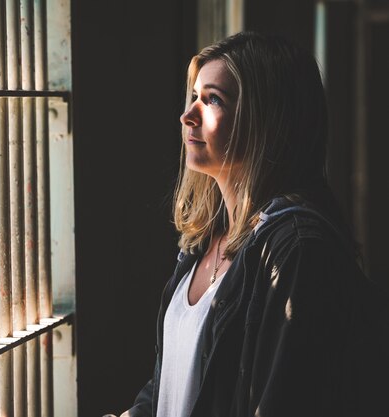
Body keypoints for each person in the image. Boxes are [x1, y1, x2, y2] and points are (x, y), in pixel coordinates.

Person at [112, 31, 389, 417]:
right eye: (194, 96)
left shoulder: (297, 251)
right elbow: (173, 383)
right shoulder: (202, 242)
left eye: (213, 100)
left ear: (266, 121)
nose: (188, 115)